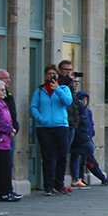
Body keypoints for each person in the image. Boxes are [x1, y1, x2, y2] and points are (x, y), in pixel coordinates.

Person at [31, 64, 73, 196]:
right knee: (48, 156)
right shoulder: (39, 91)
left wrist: (58, 90)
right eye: (49, 74)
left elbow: (68, 101)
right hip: (44, 127)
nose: (51, 76)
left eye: (54, 74)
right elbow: (33, 106)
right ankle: (48, 185)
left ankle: (59, 184)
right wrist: (40, 118)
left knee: (62, 155)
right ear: (45, 76)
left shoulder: (64, 88)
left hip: (60, 125)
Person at [68, 91, 108, 186]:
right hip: (79, 138)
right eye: (81, 100)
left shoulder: (88, 112)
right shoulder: (76, 111)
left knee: (85, 160)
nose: (84, 102)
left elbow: (90, 125)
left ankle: (86, 178)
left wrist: (91, 133)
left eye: (85, 100)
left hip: (86, 137)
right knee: (79, 157)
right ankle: (78, 178)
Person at [0, 78, 20, 201]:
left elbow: (9, 118)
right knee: (2, 167)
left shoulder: (2, 102)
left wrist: (12, 128)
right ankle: (3, 193)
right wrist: (10, 130)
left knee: (7, 166)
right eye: (1, 90)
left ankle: (8, 190)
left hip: (6, 139)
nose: (4, 92)